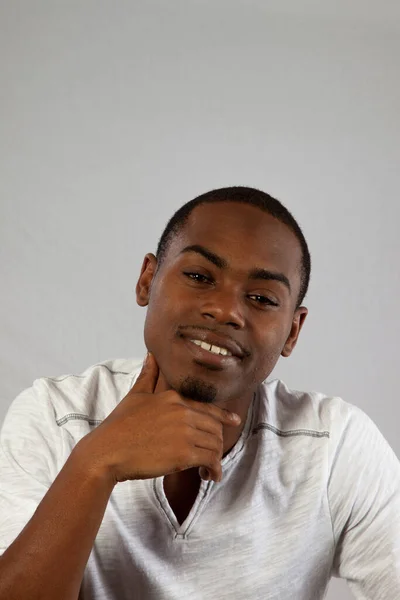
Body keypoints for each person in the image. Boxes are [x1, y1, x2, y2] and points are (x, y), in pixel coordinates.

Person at [0, 186, 399, 600]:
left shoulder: (335, 446)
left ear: (292, 331)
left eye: (262, 298)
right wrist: (96, 464)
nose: (225, 310)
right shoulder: (55, 416)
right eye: (198, 276)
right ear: (147, 280)